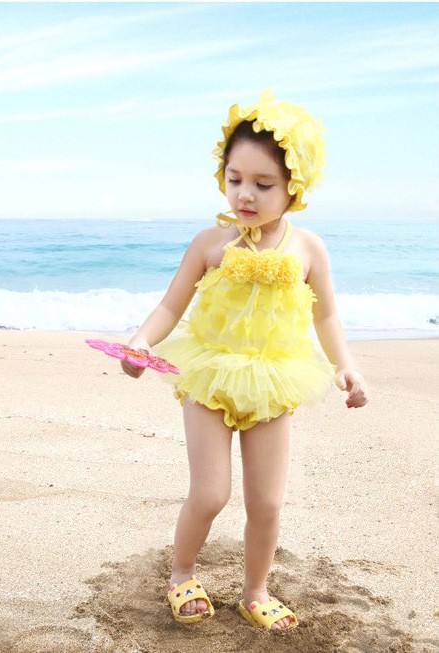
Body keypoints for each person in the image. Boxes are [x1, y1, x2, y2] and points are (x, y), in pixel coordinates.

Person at [121, 90, 368, 632]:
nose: (245, 194)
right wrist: (141, 342)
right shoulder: (210, 242)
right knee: (211, 493)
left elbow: (326, 315)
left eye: (263, 184)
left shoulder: (308, 248)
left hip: (274, 381)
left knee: (267, 503)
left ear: (295, 186)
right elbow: (171, 305)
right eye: (235, 179)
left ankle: (255, 590)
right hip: (210, 375)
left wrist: (344, 365)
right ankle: (182, 573)